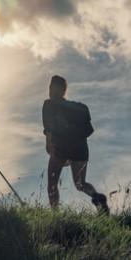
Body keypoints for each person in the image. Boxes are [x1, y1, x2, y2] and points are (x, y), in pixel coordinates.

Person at [42, 75, 109, 214]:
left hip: (61, 145)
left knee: (52, 182)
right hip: (81, 147)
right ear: (64, 90)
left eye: (50, 87)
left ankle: (55, 215)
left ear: (52, 88)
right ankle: (97, 197)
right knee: (80, 184)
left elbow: (49, 127)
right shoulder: (75, 108)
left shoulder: (49, 104)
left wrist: (49, 144)